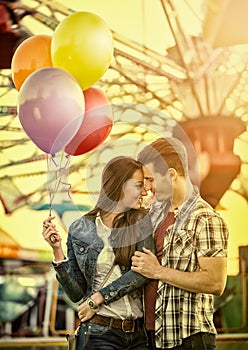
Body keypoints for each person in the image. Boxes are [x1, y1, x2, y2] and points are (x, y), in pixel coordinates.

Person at [42, 156, 155, 350]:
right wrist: (57, 252)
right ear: (120, 185)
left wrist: (98, 298)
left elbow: (141, 272)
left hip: (139, 335)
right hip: (99, 333)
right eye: (139, 185)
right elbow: (76, 293)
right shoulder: (80, 229)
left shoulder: (141, 222)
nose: (145, 191)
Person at [131, 137, 229, 350]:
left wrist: (158, 271)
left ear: (171, 175)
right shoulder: (154, 213)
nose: (147, 188)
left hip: (188, 339)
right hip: (150, 336)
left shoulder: (206, 219)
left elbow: (215, 282)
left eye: (150, 179)